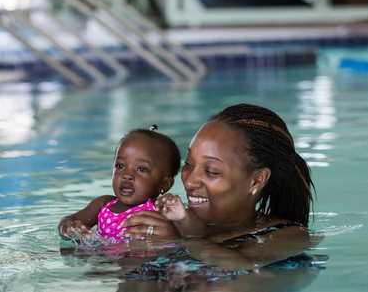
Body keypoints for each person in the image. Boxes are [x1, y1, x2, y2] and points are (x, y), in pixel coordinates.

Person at [119, 103, 322, 269]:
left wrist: (179, 242)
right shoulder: (176, 220)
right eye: (189, 164)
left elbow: (241, 270)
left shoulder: (288, 235)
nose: (189, 181)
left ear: (257, 180)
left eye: (212, 171)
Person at [58, 125, 181, 243]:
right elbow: (70, 219)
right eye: (120, 166)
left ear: (164, 185)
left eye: (142, 169)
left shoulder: (163, 211)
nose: (127, 175)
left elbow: (192, 236)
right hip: (102, 260)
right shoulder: (103, 204)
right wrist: (68, 228)